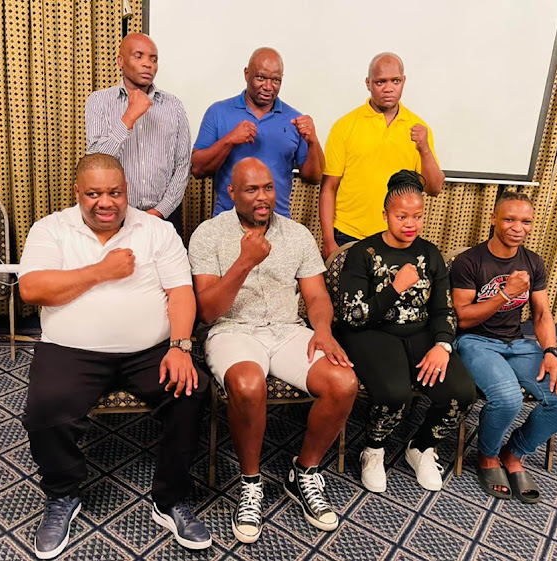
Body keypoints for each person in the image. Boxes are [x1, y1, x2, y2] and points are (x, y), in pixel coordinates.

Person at [19, 154, 211, 558]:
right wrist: (101, 271)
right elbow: (32, 289)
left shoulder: (156, 230)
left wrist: (180, 347)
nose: (105, 202)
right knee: (46, 405)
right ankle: (62, 495)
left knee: (190, 391)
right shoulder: (51, 229)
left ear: (127, 192)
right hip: (71, 350)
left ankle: (171, 499)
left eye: (115, 193)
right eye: (93, 194)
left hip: (151, 350)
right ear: (77, 194)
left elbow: (180, 292)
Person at [188, 158, 357, 543]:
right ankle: (250, 482)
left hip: (287, 330)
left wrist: (325, 331)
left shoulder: (297, 234)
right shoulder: (208, 235)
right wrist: (245, 262)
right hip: (232, 330)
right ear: (231, 193)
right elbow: (208, 310)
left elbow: (315, 295)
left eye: (267, 187)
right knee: (247, 385)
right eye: (251, 190)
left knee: (343, 382)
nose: (262, 197)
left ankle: (304, 473)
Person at [336, 170, 475, 492]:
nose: (410, 224)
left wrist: (442, 345)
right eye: (401, 216)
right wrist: (395, 288)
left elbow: (444, 309)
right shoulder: (363, 253)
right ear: (385, 215)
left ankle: (422, 447)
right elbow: (352, 316)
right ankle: (373, 449)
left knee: (462, 393)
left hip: (420, 333)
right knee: (394, 394)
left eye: (417, 216)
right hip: (371, 333)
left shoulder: (430, 254)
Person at [451, 190, 557, 503]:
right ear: (494, 219)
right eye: (509, 219)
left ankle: (514, 453)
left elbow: (541, 313)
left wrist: (551, 354)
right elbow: (465, 319)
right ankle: (487, 456)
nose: (517, 227)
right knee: (507, 398)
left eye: (525, 221)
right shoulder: (470, 261)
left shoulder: (533, 262)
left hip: (516, 344)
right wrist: (506, 294)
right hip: (475, 342)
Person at [320, 52, 445, 259]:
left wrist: (424, 148)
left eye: (395, 81)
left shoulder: (419, 128)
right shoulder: (345, 126)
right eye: (380, 82)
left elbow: (434, 188)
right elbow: (329, 187)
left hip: (397, 238)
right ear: (368, 83)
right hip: (348, 234)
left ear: (403, 81)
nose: (389, 88)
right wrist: (328, 240)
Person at [191, 47, 324, 218]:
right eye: (261, 78)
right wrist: (230, 140)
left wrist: (313, 142)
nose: (268, 87)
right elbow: (198, 169)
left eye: (276, 80)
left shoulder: (294, 119)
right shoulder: (218, 112)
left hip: (278, 223)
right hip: (228, 223)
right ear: (247, 74)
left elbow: (313, 177)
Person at [85, 33, 190, 236]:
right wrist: (129, 117)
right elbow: (95, 161)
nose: (148, 64)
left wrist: (160, 211)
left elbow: (183, 164)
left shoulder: (173, 105)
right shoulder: (99, 101)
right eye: (138, 56)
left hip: (164, 217)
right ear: (120, 61)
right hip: (115, 216)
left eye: (153, 59)